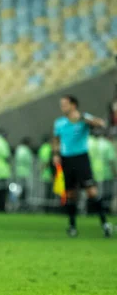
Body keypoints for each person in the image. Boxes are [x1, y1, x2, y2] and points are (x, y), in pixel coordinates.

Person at [53, 95, 112, 237]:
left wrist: (84, 118)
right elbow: (56, 139)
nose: (63, 107)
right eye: (61, 104)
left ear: (73, 105)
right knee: (70, 194)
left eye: (65, 104)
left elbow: (101, 123)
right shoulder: (59, 123)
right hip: (67, 159)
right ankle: (72, 226)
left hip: (81, 159)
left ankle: (104, 223)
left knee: (91, 192)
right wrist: (56, 154)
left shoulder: (83, 119)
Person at [98, 130, 116, 214]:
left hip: (97, 173)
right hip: (107, 173)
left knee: (99, 194)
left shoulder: (95, 143)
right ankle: (108, 210)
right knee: (109, 194)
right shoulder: (108, 145)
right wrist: (115, 172)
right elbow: (111, 160)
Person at [37, 135, 56, 213]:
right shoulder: (49, 148)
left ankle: (46, 208)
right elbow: (48, 161)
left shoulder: (41, 148)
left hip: (44, 173)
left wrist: (41, 170)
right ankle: (50, 209)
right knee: (50, 192)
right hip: (49, 172)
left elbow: (41, 160)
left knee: (46, 192)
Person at [14, 137, 34, 211]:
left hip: (18, 172)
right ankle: (23, 205)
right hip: (25, 172)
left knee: (19, 189)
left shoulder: (18, 149)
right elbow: (29, 161)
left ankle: (19, 204)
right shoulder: (26, 150)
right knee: (25, 189)